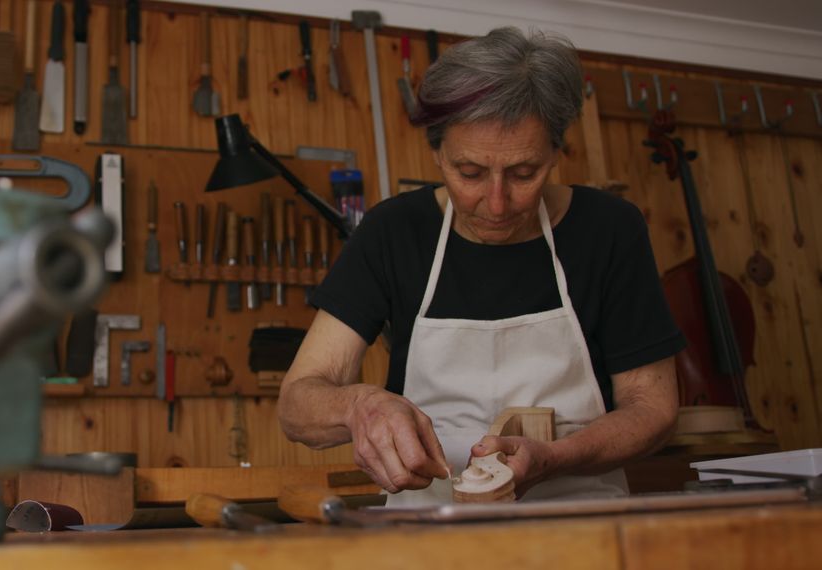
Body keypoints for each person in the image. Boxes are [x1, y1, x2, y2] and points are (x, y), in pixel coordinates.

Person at [277, 27, 685, 506]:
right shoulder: (393, 231)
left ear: (556, 152)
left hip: (582, 525)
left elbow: (653, 408)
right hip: (429, 533)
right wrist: (359, 405)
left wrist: (555, 457)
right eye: (469, 173)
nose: (495, 204)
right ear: (437, 153)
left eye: (523, 173)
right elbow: (297, 403)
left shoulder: (608, 230)